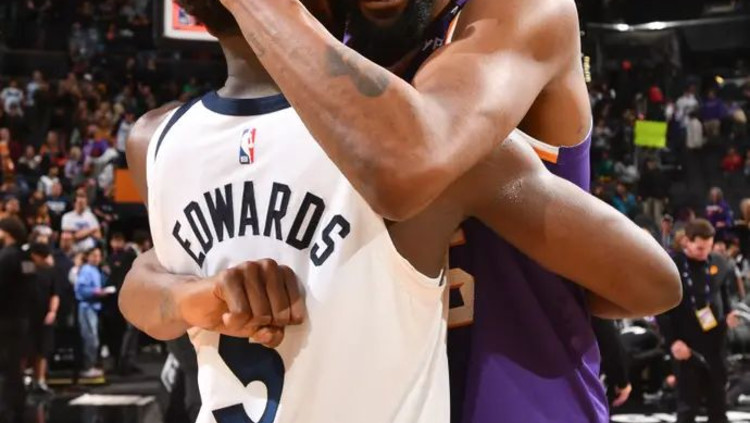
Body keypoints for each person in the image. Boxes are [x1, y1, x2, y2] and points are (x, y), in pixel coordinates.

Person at [119, 2, 680, 423]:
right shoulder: (318, 61)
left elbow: (410, 162)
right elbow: (159, 272)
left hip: (524, 398)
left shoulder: (515, 11)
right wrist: (199, 294)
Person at [657, 219, 740, 423]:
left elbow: (724, 294)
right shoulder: (672, 265)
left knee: (718, 404)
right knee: (688, 407)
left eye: (709, 247)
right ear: (687, 241)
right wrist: (673, 341)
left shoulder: (718, 262)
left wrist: (729, 314)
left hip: (716, 343)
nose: (705, 252)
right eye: (700, 247)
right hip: (686, 343)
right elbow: (662, 310)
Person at [0, 217, 28, 423]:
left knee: (7, 366)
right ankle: (19, 405)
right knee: (16, 365)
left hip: (6, 318)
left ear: (7, 232)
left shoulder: (6, 256)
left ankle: (6, 408)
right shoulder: (26, 256)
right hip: (23, 317)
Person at [24, 242, 58, 394]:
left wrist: (52, 311)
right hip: (26, 316)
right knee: (25, 350)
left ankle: (40, 380)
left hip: (44, 315)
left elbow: (55, 294)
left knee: (43, 350)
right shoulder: (26, 270)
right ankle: (22, 379)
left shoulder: (50, 272)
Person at [74, 247, 111, 378]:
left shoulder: (96, 270)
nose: (96, 258)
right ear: (88, 257)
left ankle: (91, 365)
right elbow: (80, 290)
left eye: (98, 256)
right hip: (86, 307)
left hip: (94, 307)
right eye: (94, 255)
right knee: (90, 338)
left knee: (94, 338)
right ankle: (88, 367)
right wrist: (96, 292)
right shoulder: (86, 270)